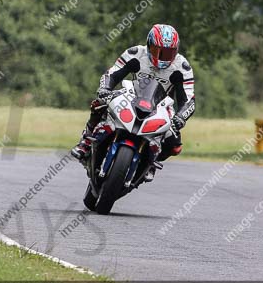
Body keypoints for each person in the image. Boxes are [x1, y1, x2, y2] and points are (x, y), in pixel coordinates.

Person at [70, 24, 195, 181]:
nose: (163, 57)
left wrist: (181, 117)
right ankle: (86, 141)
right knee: (100, 102)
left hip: (161, 107)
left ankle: (151, 162)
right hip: (131, 95)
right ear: (149, 45)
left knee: (174, 144)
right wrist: (105, 88)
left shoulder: (182, 67)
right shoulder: (135, 53)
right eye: (158, 51)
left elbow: (189, 100)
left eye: (169, 53)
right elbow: (113, 73)